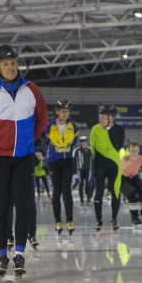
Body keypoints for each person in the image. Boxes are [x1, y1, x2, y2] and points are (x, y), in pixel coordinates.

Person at [0, 44, 48, 281]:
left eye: (14, 62)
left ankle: (19, 254)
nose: (11, 66)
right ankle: (1, 255)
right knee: (2, 205)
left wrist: (26, 141)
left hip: (25, 156)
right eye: (6, 63)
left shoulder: (32, 90)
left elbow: (41, 121)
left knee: (23, 205)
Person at [44, 100, 79, 235]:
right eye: (63, 111)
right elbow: (45, 143)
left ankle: (69, 221)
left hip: (67, 161)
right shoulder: (49, 126)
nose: (65, 114)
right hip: (53, 161)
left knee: (67, 191)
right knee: (57, 191)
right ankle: (58, 221)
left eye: (67, 111)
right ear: (57, 112)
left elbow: (73, 143)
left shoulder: (73, 126)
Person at [90, 105, 125, 233]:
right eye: (99, 117)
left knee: (115, 192)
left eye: (103, 117)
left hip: (114, 165)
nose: (100, 120)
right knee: (98, 192)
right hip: (99, 164)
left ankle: (114, 219)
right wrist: (98, 161)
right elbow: (92, 147)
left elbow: (120, 145)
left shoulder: (120, 130)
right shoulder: (95, 129)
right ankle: (98, 220)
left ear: (111, 118)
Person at [73, 136, 93, 207]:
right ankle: (81, 199)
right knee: (81, 184)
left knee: (88, 184)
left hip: (88, 170)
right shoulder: (77, 150)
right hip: (80, 170)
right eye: (83, 142)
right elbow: (73, 160)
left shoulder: (90, 149)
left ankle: (88, 199)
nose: (84, 144)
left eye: (85, 142)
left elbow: (94, 159)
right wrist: (77, 167)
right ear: (80, 143)